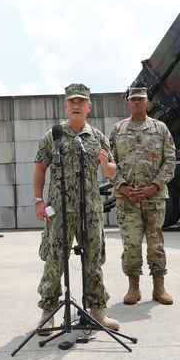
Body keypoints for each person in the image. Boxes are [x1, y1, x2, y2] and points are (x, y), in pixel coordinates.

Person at [33, 83, 120, 335]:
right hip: (59, 210)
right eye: (72, 102)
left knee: (94, 260)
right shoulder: (53, 136)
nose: (76, 106)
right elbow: (40, 168)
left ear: (89, 107)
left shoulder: (98, 137)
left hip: (90, 211)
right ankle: (48, 313)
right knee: (54, 261)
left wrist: (106, 166)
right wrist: (39, 200)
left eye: (81, 102)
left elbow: (112, 170)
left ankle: (97, 311)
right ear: (65, 106)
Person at [110, 87, 176, 305]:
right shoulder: (118, 130)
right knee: (131, 243)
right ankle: (134, 288)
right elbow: (110, 165)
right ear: (128, 104)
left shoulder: (160, 129)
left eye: (141, 99)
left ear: (148, 103)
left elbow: (170, 161)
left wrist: (154, 186)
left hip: (154, 198)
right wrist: (123, 187)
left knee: (156, 242)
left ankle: (159, 288)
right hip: (127, 199)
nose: (137, 102)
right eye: (133, 99)